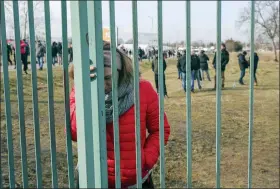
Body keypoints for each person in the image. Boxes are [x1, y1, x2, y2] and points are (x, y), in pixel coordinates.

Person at [69, 40, 170, 188]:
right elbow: (74, 133)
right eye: (97, 79)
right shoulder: (81, 92)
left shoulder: (143, 90)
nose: (102, 85)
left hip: (135, 181)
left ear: (121, 71)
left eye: (108, 78)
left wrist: (146, 159)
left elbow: (160, 129)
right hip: (93, 179)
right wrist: (86, 94)